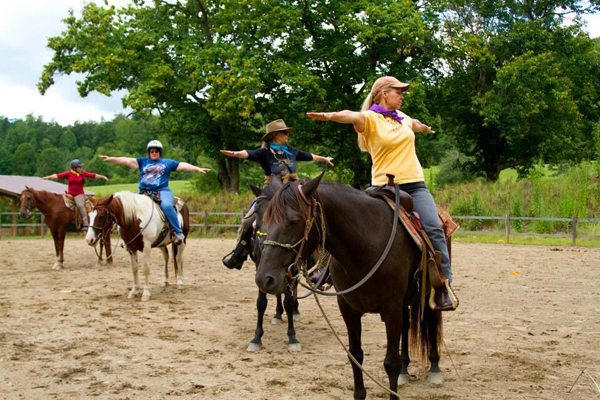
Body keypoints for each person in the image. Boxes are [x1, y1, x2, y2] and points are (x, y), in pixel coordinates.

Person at [306, 76, 457, 311]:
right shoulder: (370, 119)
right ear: (384, 93)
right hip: (382, 187)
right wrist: (330, 116)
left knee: (434, 227)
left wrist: (424, 128)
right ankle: (325, 271)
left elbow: (414, 123)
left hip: (415, 185)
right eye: (398, 91)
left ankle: (443, 285)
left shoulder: (403, 118)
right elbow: (351, 115)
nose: (402, 95)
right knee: (347, 223)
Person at [220, 118, 334, 269]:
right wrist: (235, 154)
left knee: (312, 218)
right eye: (284, 133)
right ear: (274, 135)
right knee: (248, 221)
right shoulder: (264, 153)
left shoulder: (291, 151)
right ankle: (238, 255)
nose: (287, 135)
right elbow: (247, 153)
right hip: (271, 193)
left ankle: (317, 260)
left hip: (292, 193)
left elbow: (309, 156)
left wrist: (324, 159)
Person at [99, 140, 211, 245]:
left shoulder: (167, 163)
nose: (154, 153)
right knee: (129, 208)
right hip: (143, 191)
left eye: (156, 151)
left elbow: (183, 165)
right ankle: (127, 237)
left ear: (159, 153)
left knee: (167, 206)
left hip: (161, 190)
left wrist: (198, 169)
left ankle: (177, 232)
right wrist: (110, 159)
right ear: (149, 152)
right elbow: (126, 161)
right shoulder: (143, 162)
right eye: (152, 151)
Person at [42, 159, 109, 230]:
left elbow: (92, 175)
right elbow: (57, 175)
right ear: (74, 168)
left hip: (79, 194)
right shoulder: (68, 174)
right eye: (79, 167)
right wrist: (48, 177)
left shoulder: (82, 173)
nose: (81, 168)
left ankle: (86, 224)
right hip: (70, 194)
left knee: (80, 206)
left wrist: (102, 176)